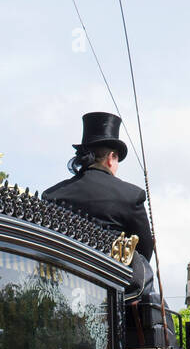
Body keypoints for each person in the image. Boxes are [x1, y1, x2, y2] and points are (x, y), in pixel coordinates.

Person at [42, 112, 155, 294]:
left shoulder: (52, 195)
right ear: (111, 158)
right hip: (112, 292)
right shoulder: (131, 196)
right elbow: (143, 253)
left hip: (62, 287)